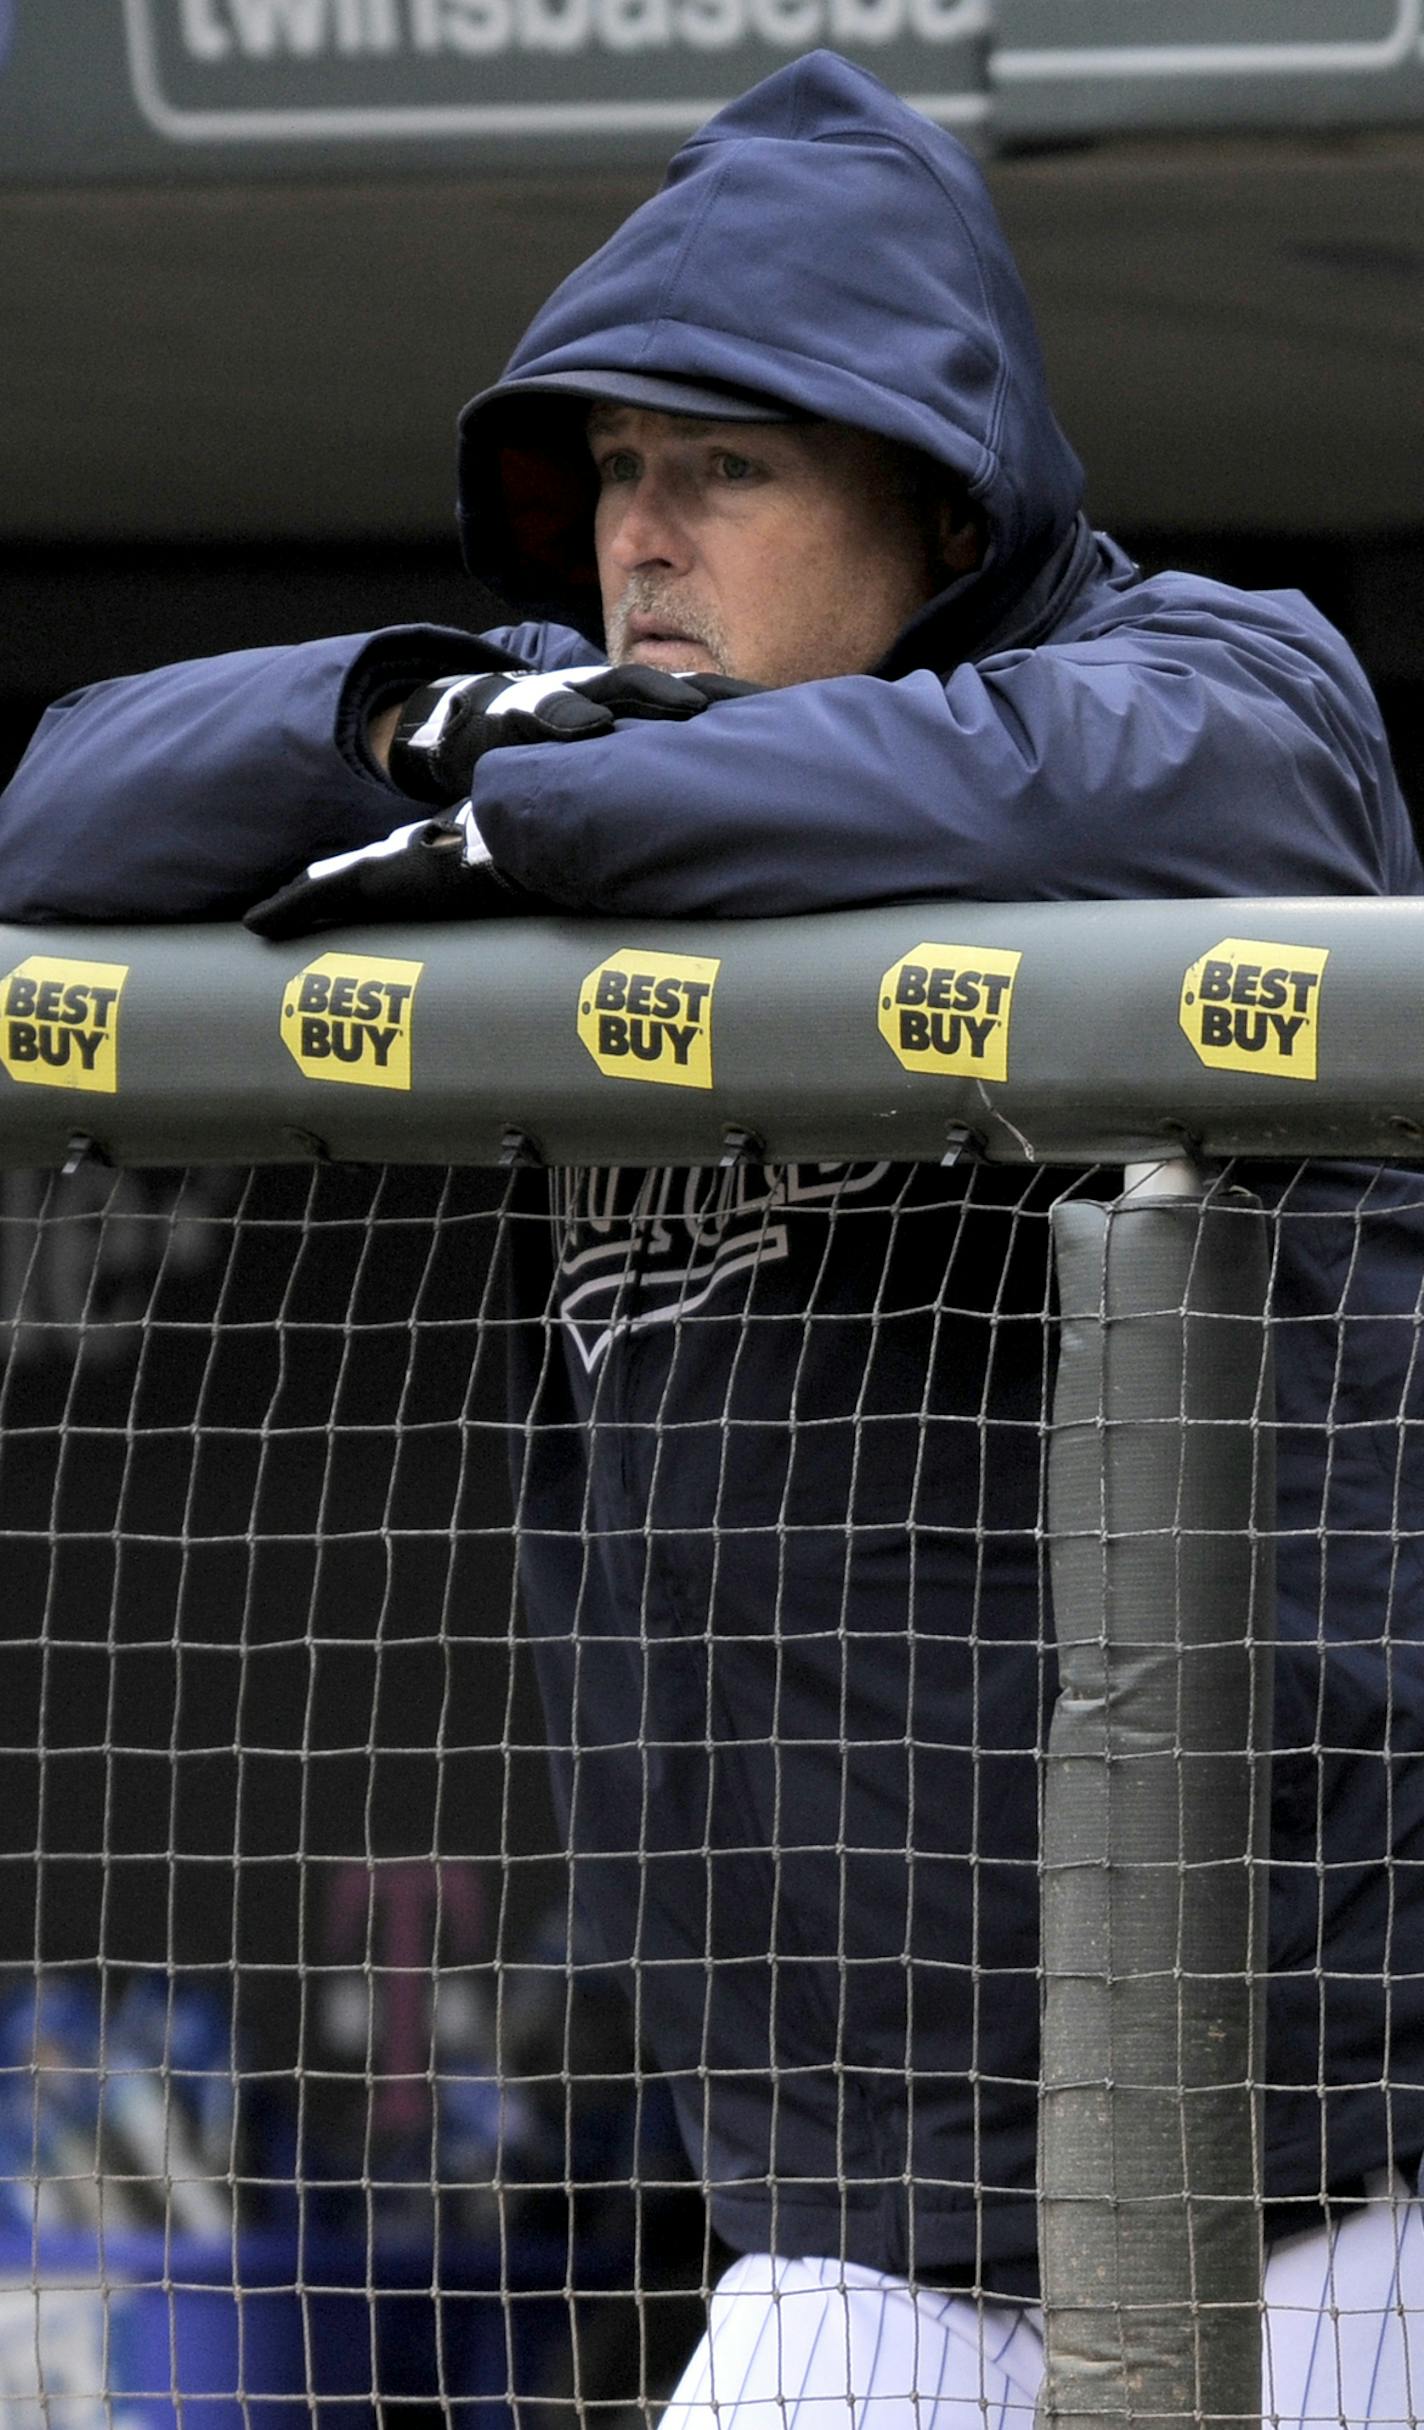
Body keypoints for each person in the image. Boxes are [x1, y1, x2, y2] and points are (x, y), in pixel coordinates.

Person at [4, 46, 1424, 2430]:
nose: (643, 538)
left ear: (934, 498)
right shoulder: (580, 763)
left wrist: (568, 799)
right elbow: (61, 800)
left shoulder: (1217, 683)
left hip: (1304, 2183)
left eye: (728, 469)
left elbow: (1156, 780)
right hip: (849, 2215)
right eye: (618, 479)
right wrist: (428, 731)